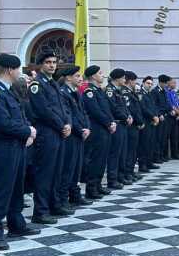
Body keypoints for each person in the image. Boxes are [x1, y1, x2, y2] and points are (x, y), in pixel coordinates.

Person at [0, 54, 40, 251]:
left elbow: (20, 116)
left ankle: (16, 224)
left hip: (16, 145)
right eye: (18, 69)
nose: (19, 73)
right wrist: (27, 131)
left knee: (16, 187)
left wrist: (28, 130)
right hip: (2, 146)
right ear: (9, 70)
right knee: (1, 189)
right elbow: (3, 123)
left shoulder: (8, 90)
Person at [28, 49, 71, 224]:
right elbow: (43, 110)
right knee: (44, 173)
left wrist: (68, 123)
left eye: (54, 62)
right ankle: (40, 211)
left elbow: (63, 108)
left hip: (59, 132)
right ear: (40, 65)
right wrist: (62, 125)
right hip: (46, 132)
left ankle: (54, 204)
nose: (52, 65)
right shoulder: (37, 84)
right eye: (48, 62)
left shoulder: (53, 83)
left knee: (56, 171)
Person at [56, 65, 90, 209]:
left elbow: (83, 113)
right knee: (68, 168)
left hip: (79, 135)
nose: (81, 78)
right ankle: (63, 199)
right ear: (68, 78)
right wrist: (80, 130)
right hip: (71, 136)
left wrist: (87, 127)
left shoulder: (76, 92)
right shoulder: (63, 93)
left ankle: (75, 195)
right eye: (77, 76)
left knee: (77, 168)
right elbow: (69, 116)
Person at [82, 65, 115, 199]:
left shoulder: (100, 91)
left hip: (105, 129)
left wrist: (112, 122)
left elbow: (107, 109)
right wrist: (108, 123)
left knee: (102, 159)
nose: (103, 75)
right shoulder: (89, 91)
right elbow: (95, 111)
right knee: (95, 159)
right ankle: (91, 188)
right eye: (100, 73)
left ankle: (98, 185)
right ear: (93, 76)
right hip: (97, 129)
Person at [106, 68, 130, 189]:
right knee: (115, 153)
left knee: (122, 152)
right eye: (123, 78)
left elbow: (124, 107)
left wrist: (128, 116)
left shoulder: (118, 90)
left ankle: (121, 176)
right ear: (118, 78)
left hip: (123, 124)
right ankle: (112, 179)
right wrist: (125, 117)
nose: (125, 80)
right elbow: (114, 108)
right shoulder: (110, 90)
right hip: (117, 123)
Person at [121, 71, 143, 183]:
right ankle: (127, 172)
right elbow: (132, 110)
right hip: (131, 125)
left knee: (133, 150)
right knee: (129, 151)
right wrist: (139, 121)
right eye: (134, 81)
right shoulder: (125, 92)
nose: (135, 83)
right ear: (130, 81)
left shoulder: (131, 92)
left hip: (135, 125)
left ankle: (130, 171)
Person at [138, 76, 160, 173]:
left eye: (151, 84)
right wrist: (153, 116)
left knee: (151, 143)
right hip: (145, 121)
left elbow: (154, 107)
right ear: (143, 83)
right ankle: (142, 164)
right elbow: (143, 108)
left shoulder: (150, 94)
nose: (150, 85)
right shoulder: (140, 94)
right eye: (148, 83)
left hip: (152, 122)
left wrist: (156, 116)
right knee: (144, 144)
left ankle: (149, 162)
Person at [152, 75, 171, 162]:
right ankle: (156, 156)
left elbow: (166, 103)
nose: (167, 85)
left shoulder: (164, 91)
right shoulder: (155, 91)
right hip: (160, 117)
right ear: (161, 82)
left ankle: (162, 155)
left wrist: (170, 110)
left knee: (164, 137)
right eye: (166, 83)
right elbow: (155, 105)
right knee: (158, 138)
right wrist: (159, 114)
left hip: (166, 116)